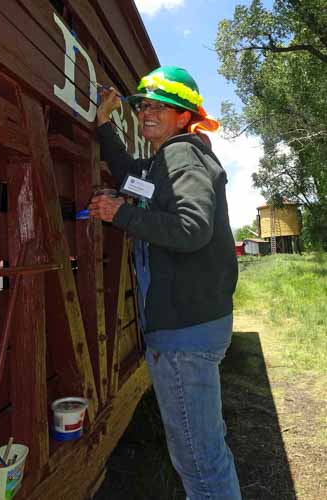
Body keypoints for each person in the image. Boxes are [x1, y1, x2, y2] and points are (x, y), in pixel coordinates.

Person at [89, 66, 241, 500]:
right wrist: (104, 125)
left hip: (185, 336)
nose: (148, 113)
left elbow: (192, 228)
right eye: (143, 106)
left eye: (162, 106)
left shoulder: (181, 154)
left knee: (199, 462)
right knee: (206, 447)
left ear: (184, 116)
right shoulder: (163, 163)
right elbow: (128, 174)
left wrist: (122, 215)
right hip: (195, 325)